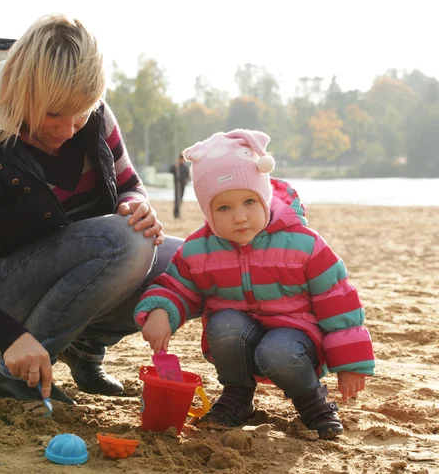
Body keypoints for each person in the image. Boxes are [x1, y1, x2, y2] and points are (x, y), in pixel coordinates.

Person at [0, 14, 183, 405]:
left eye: (81, 112)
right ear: (21, 90)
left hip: (71, 272)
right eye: (53, 113)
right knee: (125, 242)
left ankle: (83, 348)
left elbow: (129, 186)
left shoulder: (94, 114)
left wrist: (136, 205)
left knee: (182, 261)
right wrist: (9, 336)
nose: (69, 129)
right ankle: (12, 373)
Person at [134, 129, 375, 439]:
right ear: (208, 211)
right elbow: (177, 286)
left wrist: (349, 362)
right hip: (239, 338)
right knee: (223, 325)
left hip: (295, 339)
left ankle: (311, 401)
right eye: (224, 208)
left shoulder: (303, 244)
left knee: (277, 351)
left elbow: (337, 300)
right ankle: (237, 395)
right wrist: (160, 311)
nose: (239, 217)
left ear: (265, 197)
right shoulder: (199, 249)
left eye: (249, 201)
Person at [170, 153, 190, 219]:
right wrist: (175, 166)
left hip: (183, 185)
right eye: (181, 159)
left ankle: (178, 214)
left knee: (180, 200)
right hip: (177, 185)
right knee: (177, 200)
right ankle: (176, 215)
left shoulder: (185, 167)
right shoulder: (176, 166)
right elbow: (171, 170)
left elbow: (188, 176)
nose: (182, 160)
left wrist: (187, 180)